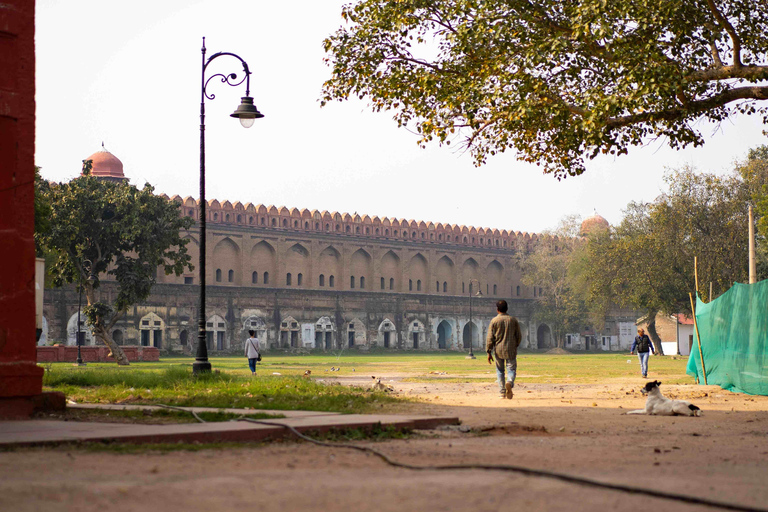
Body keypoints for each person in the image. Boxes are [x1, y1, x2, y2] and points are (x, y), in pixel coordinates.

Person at [486, 300, 522, 399]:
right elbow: (518, 336)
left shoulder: (494, 321)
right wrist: (515, 345)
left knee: (500, 371)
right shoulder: (513, 320)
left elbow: (490, 337)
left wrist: (489, 351)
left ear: (497, 310)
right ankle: (509, 382)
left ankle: (502, 392)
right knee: (511, 369)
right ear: (507, 309)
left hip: (498, 349)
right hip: (510, 348)